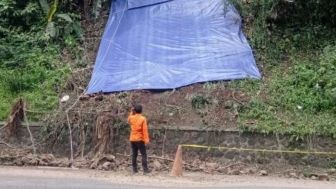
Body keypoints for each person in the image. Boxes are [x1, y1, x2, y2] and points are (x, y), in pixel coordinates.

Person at [127, 104, 150, 174]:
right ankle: (145, 170)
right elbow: (145, 130)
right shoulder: (143, 119)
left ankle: (134, 170)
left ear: (135, 110)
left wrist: (131, 112)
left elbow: (128, 120)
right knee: (143, 154)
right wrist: (146, 140)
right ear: (141, 110)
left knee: (134, 154)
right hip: (140, 139)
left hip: (132, 139)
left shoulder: (131, 118)